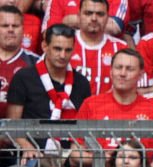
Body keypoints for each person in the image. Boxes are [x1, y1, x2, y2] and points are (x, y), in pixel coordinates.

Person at [6, 24, 90, 157]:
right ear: (45, 46)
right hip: (32, 157)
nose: (62, 55)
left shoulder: (81, 83)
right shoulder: (24, 78)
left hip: (69, 157)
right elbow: (11, 126)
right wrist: (28, 148)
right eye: (57, 49)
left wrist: (77, 158)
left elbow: (84, 128)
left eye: (68, 50)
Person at [69, 0, 128, 96]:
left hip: (107, 110)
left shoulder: (121, 48)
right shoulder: (65, 44)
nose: (94, 18)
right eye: (88, 13)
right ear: (79, 15)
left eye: (100, 14)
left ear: (107, 17)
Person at [0, 6, 37, 120]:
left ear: (23, 29)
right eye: (5, 26)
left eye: (15, 26)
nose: (10, 29)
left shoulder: (36, 63)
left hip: (19, 133)